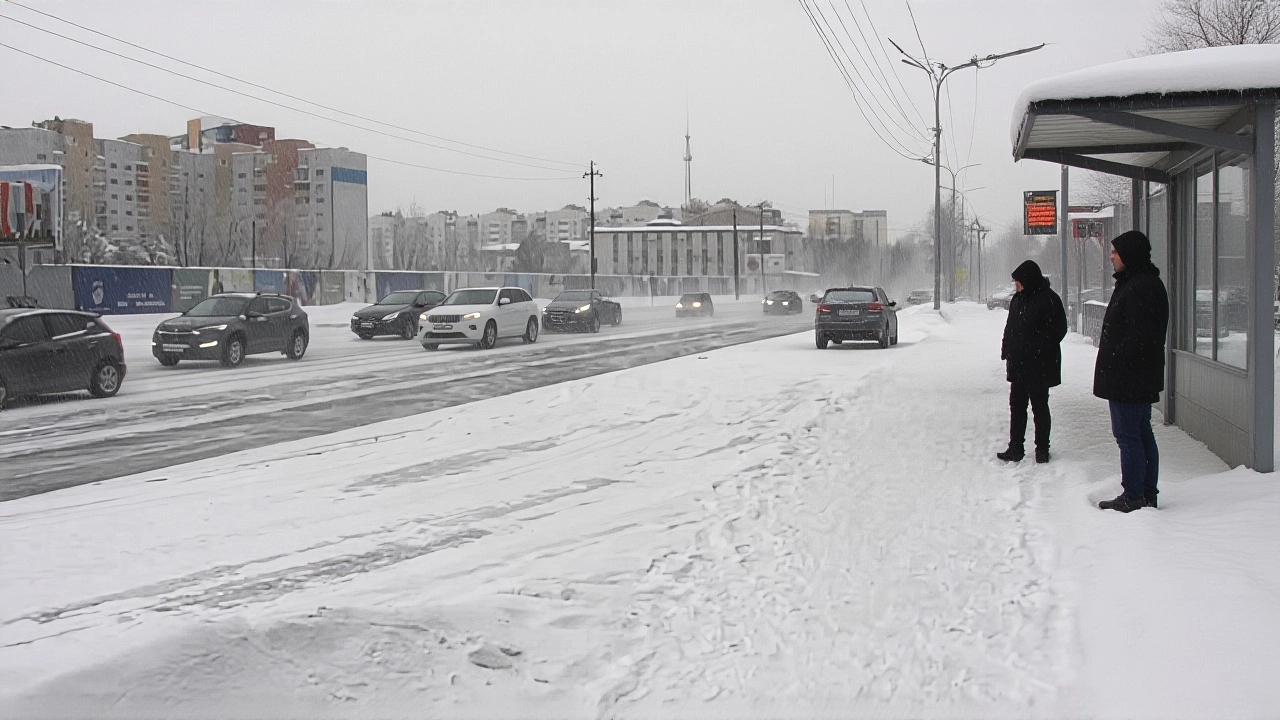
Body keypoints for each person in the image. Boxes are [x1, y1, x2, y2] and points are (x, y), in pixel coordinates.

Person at [1094, 230, 1169, 513]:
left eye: (1115, 252)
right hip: (1135, 375)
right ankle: (1145, 492)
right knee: (1140, 432)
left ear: (1129, 255)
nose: (1111, 256)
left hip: (1129, 377)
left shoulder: (1139, 287)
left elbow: (1139, 337)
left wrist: (1115, 360)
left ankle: (1135, 495)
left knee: (1129, 436)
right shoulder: (1141, 283)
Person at [998, 260, 1068, 463]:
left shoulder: (1049, 299)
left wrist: (1038, 347)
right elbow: (1010, 327)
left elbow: (1059, 329)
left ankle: (1042, 449)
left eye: (1017, 281)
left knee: (1039, 407)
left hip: (1039, 365)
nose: (1015, 285)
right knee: (1017, 406)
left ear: (1027, 280)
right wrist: (1006, 348)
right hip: (1019, 364)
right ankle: (1015, 447)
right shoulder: (1017, 300)